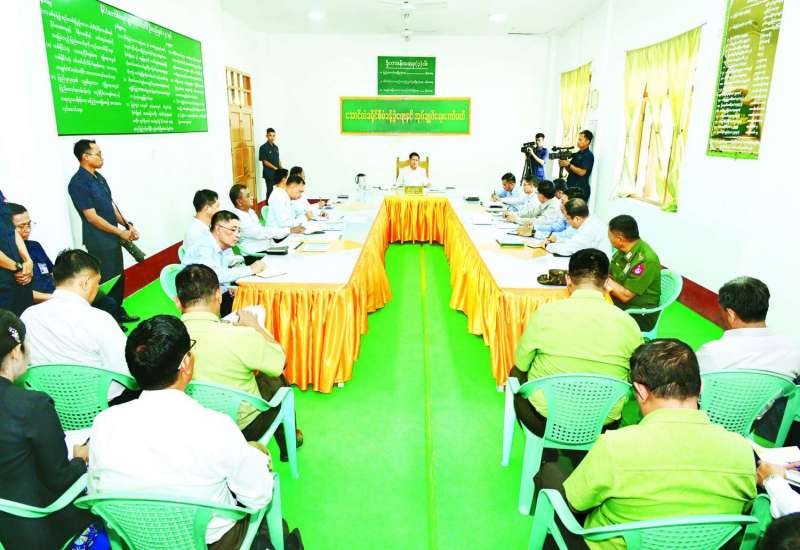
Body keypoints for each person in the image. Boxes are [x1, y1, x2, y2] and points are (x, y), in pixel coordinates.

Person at [536, 339, 756, 550]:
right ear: (701, 387)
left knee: (550, 471)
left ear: (640, 391)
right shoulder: (742, 451)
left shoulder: (616, 446)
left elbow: (576, 504)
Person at [88, 315, 276, 549]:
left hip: (139, 539)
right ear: (186, 363)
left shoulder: (104, 423)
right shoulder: (216, 427)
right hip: (211, 542)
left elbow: (97, 491)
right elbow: (257, 497)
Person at [512, 249, 642, 459]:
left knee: (516, 374)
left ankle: (546, 455)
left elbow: (521, 363)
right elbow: (636, 372)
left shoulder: (546, 314)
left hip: (544, 418)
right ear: (607, 282)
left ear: (568, 279)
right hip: (603, 422)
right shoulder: (629, 324)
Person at [176, 264, 301, 462]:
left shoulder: (167, 337)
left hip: (193, 425)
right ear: (218, 295)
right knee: (276, 380)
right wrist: (256, 327)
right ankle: (288, 444)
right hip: (243, 427)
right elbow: (281, 361)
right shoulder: (240, 336)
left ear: (177, 302)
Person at [0, 309, 94, 549]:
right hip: (39, 523)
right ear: (15, 351)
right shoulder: (32, 405)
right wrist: (80, 459)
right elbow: (59, 479)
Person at [19, 249, 134, 403]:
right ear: (84, 283)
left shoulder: (28, 316)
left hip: (55, 405)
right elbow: (128, 371)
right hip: (102, 403)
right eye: (97, 283)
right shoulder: (99, 319)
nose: (97, 288)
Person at [696, 276, 800, 443]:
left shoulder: (712, 352)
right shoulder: (792, 352)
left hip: (706, 424)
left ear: (731, 314)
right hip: (749, 425)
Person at [8, 202, 125, 324]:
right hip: (45, 302)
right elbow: (20, 294)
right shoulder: (9, 259)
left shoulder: (35, 246)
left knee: (106, 302)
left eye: (29, 224)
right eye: (21, 226)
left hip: (60, 293)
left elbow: (54, 273)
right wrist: (55, 298)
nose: (27, 230)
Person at [67, 139, 139, 324]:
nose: (101, 157)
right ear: (85, 157)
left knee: (119, 277)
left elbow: (110, 209)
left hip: (112, 238)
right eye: (98, 154)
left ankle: (118, 312)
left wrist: (127, 226)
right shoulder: (78, 183)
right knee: (107, 280)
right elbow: (91, 217)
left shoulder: (99, 178)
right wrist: (119, 232)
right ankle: (110, 320)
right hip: (99, 241)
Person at [182, 211, 268, 317]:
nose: (237, 235)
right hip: (199, 300)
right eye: (233, 230)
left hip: (212, 291)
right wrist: (250, 269)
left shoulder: (221, 245)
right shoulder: (204, 247)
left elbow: (219, 272)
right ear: (218, 229)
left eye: (239, 231)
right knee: (253, 305)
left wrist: (227, 287)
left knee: (252, 299)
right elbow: (213, 275)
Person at [606, 214, 661, 332]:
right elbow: (610, 274)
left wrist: (601, 278)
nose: (608, 238)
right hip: (620, 302)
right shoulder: (623, 250)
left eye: (609, 235)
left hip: (639, 313)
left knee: (596, 315)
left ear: (620, 238)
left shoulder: (646, 259)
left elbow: (625, 296)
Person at [230, 184, 289, 260]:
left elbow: (261, 230)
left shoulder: (250, 211)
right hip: (255, 255)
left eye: (250, 194)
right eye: (248, 196)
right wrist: (288, 231)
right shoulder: (238, 218)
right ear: (239, 202)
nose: (252, 197)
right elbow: (260, 233)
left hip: (265, 247)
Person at [0, 190, 33, 315]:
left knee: (27, 319)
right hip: (4, 282)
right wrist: (17, 267)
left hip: (20, 279)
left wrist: (27, 261)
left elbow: (11, 231)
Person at [546, 199, 611, 258]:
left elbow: (567, 249)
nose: (567, 221)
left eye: (567, 218)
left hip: (597, 264)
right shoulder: (590, 220)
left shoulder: (588, 229)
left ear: (577, 219)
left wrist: (546, 245)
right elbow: (574, 241)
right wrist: (558, 240)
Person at [559, 129, 595, 201]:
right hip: (571, 186)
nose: (578, 142)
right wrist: (565, 164)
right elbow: (571, 170)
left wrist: (569, 165)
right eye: (578, 139)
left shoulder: (588, 155)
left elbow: (582, 172)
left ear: (587, 141)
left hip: (580, 189)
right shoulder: (578, 153)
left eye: (580, 140)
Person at [258, 127, 281, 200]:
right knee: (270, 190)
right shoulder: (263, 147)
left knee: (278, 190)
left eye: (274, 135)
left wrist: (281, 169)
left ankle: (276, 203)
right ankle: (268, 205)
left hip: (277, 172)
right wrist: (275, 168)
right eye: (270, 135)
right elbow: (265, 162)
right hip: (269, 173)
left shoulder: (276, 147)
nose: (272, 137)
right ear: (267, 136)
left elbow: (278, 159)